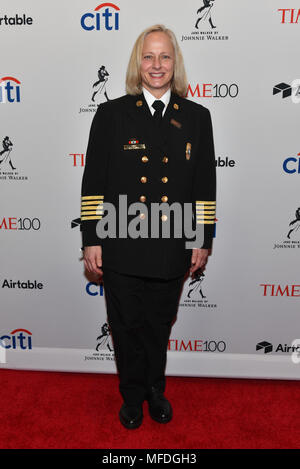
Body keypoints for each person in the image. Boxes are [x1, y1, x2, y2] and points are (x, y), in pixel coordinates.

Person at [80, 24, 216, 429]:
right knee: (124, 326)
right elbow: (94, 182)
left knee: (158, 324)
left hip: (171, 244)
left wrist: (201, 239)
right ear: (137, 63)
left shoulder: (196, 117)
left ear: (175, 64)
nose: (156, 65)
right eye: (148, 56)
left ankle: (155, 390)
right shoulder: (111, 114)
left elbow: (204, 184)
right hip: (122, 243)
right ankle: (131, 394)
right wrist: (92, 238)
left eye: (164, 56)